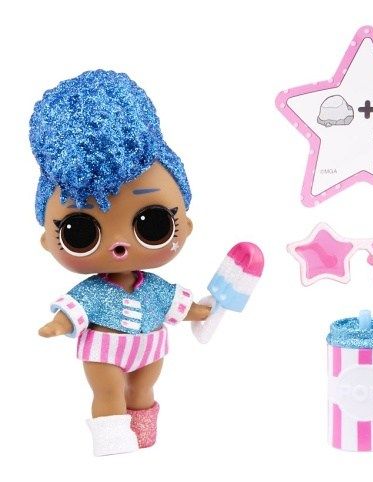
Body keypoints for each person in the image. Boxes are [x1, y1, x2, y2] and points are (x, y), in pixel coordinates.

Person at [31, 70, 213, 456]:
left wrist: (204, 311)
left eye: (152, 223)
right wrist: (58, 324)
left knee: (143, 389)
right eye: (80, 231)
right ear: (48, 240)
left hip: (150, 347)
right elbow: (75, 310)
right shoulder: (93, 291)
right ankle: (113, 441)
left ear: (185, 224)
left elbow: (177, 305)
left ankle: (144, 434)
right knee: (109, 392)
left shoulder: (154, 288)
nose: (118, 246)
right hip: (104, 351)